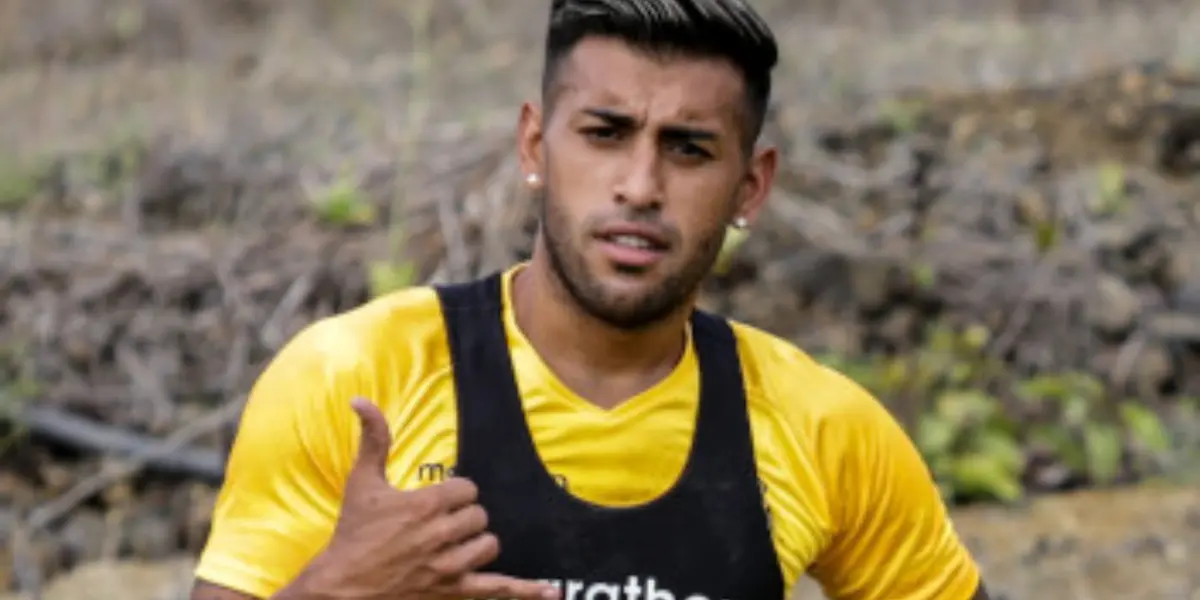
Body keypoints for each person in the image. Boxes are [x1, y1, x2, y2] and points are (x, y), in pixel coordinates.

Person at [190, 0, 991, 599]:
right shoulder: (358, 379)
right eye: (605, 133)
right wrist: (339, 592)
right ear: (536, 145)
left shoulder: (820, 428)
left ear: (750, 186)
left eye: (688, 149)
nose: (640, 186)